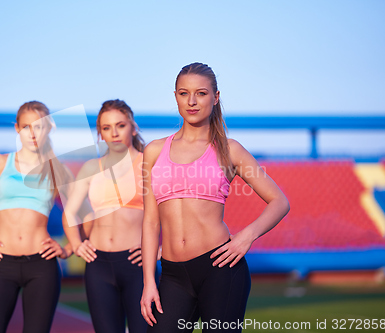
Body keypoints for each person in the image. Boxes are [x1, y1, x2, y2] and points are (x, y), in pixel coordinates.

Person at [140, 63, 290, 332]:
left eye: (201, 93)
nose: (192, 101)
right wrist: (149, 281)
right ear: (175, 96)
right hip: (172, 275)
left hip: (220, 269)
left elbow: (279, 201)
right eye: (184, 93)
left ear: (216, 97)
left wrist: (246, 237)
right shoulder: (153, 151)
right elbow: (151, 223)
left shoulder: (230, 150)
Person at [0, 101, 79, 333]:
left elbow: (83, 212)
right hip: (1, 263)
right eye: (26, 127)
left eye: (39, 127)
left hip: (42, 265)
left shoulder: (57, 170)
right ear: (17, 129)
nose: (32, 133)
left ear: (49, 128)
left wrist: (68, 248)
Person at [62, 99, 157, 333]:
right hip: (98, 265)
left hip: (138, 264)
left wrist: (159, 252)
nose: (114, 133)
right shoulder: (91, 168)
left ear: (133, 128)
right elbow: (69, 214)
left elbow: (173, 213)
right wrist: (76, 244)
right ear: (100, 134)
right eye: (106, 128)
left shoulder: (149, 164)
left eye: (120, 125)